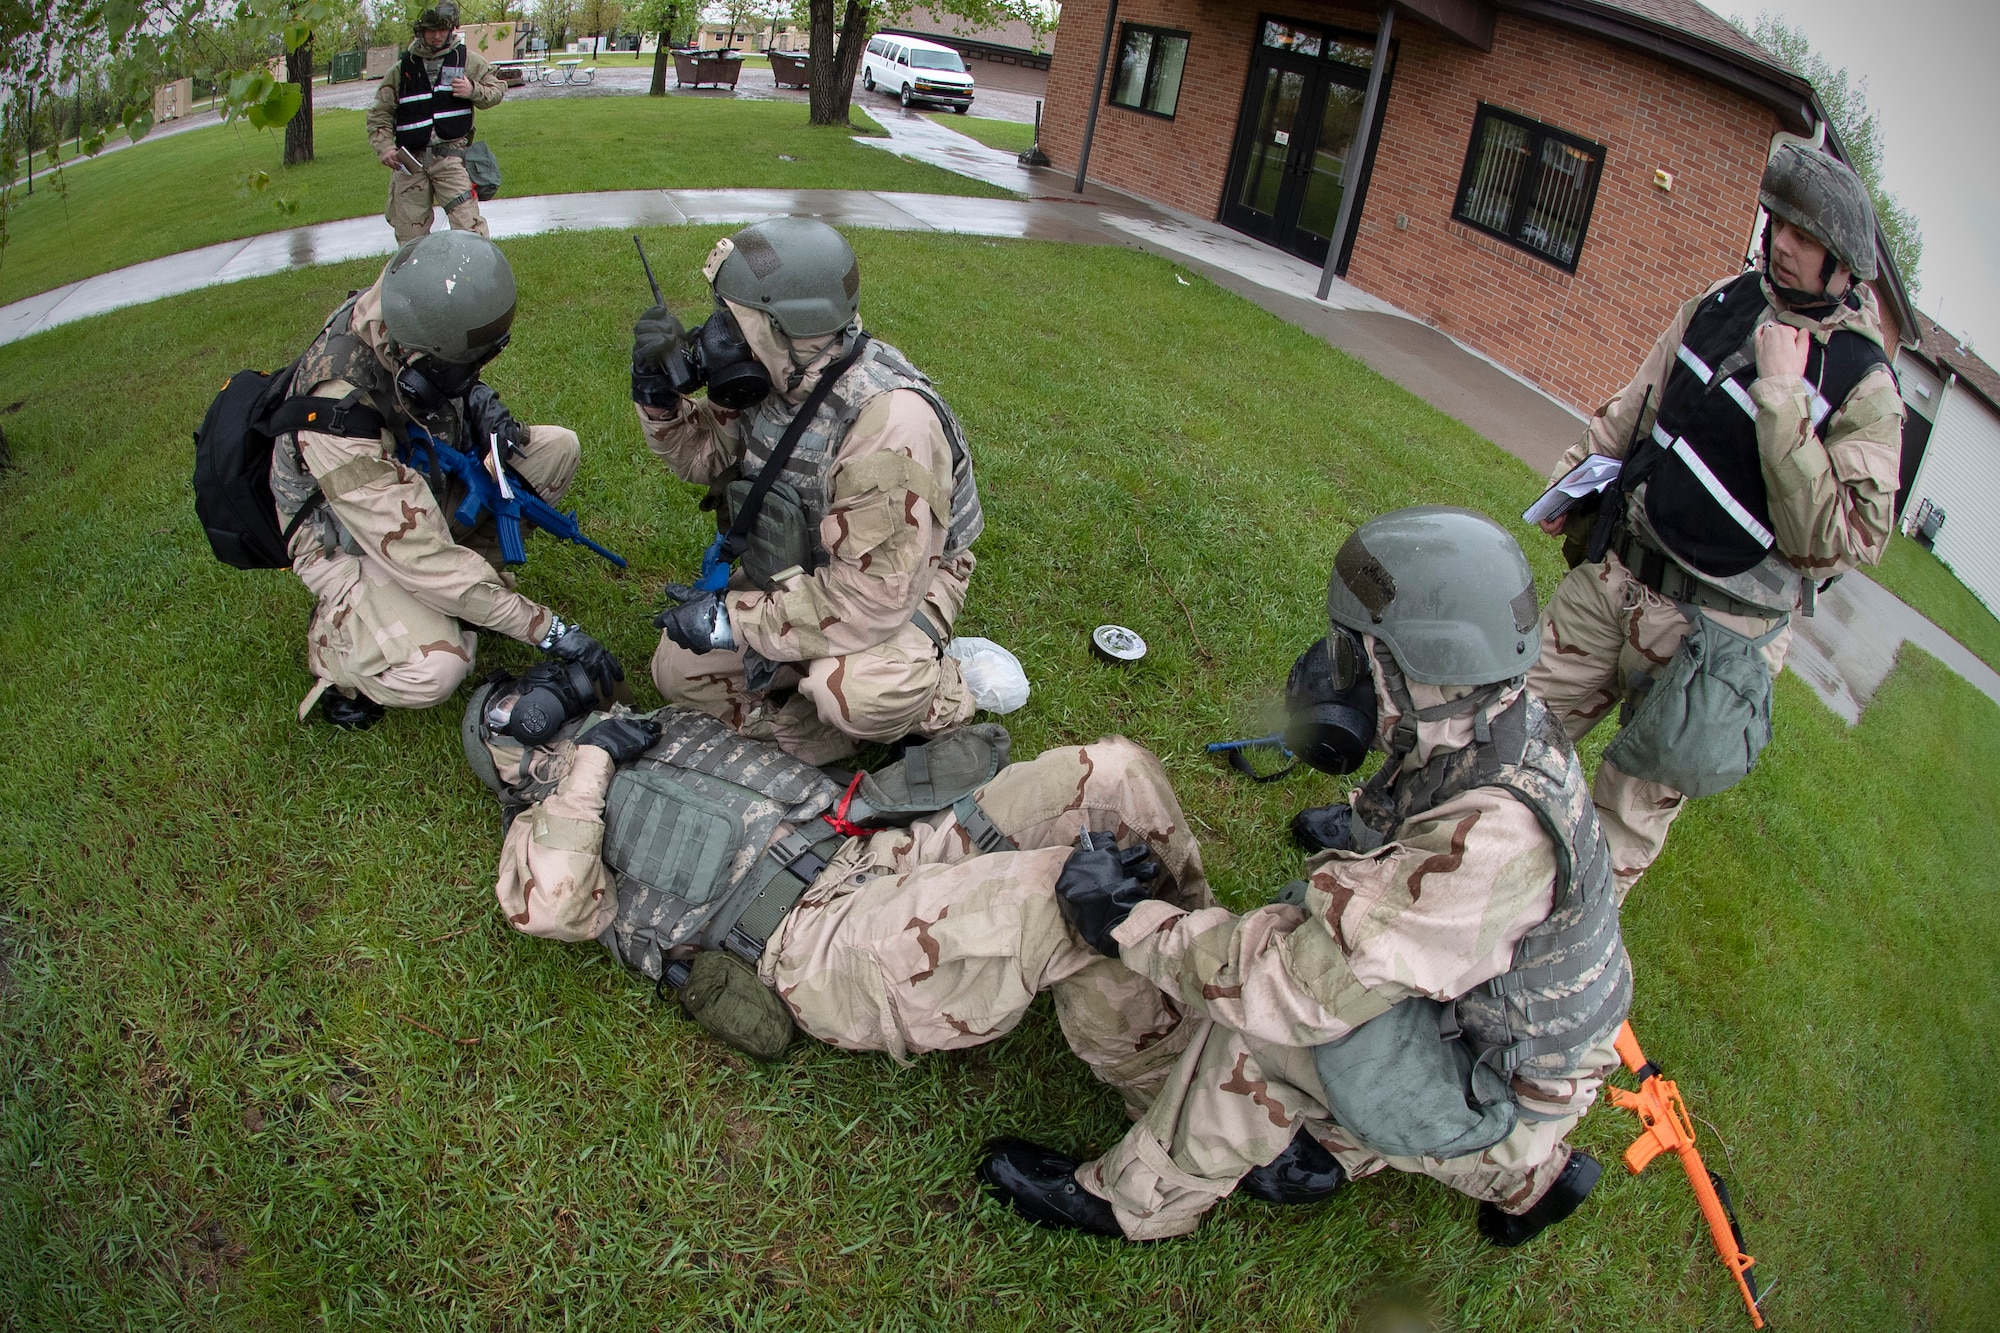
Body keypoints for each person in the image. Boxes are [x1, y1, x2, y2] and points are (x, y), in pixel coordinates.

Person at [978, 508, 1632, 1247]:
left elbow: (1289, 990)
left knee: (1271, 1019)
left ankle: (1136, 1203)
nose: (1334, 672)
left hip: (1499, 1083)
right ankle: (1430, 1159)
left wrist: (1125, 919)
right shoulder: (1487, 717)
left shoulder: (1493, 840)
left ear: (1416, 667)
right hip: (1495, 1032)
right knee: (1307, 935)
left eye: (1356, 658)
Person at [457, 665, 1209, 1111]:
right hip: (811, 945)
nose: (534, 699)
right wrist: (588, 764)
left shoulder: (658, 728)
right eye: (507, 708)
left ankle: (1214, 970)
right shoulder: (540, 824)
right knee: (1071, 896)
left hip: (879, 848)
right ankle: (1195, 1100)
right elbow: (550, 901)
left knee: (1112, 771)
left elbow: (799, 732)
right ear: (502, 759)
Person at [1513, 142, 1905, 895]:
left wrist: (1784, 395)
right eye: (1779, 223)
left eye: (1806, 237)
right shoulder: (1726, 298)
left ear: (1845, 267)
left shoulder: (1865, 386)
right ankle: (1420, 864)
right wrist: (1575, 478)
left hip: (1713, 645)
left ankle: (1536, 988)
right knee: (1506, 742)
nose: (1782, 243)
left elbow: (1835, 546)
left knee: (1612, 842)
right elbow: (1640, 403)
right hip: (1616, 580)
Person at [630, 218, 984, 765]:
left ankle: (938, 695)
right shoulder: (774, 375)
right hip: (803, 565)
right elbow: (703, 459)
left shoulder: (888, 425)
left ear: (783, 326)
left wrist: (733, 620)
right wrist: (656, 393)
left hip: (898, 582)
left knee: (854, 694)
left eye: (733, 319)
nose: (716, 335)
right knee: (676, 670)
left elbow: (871, 600)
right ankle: (806, 717)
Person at [270, 231, 624, 728]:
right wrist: (552, 631)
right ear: (421, 358)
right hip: (346, 536)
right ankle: (340, 654)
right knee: (438, 668)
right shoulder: (336, 411)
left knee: (554, 451)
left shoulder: (414, 304)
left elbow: (446, 376)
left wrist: (478, 401)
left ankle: (458, 595)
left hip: (418, 478)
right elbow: (418, 553)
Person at [365, 2, 505, 244]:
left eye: (442, 29)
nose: (437, 35)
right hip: (410, 162)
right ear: (420, 31)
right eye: (431, 30)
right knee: (410, 234)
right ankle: (416, 279)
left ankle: (474, 279)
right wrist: (385, 147)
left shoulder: (467, 61)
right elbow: (380, 113)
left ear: (451, 28)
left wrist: (473, 90)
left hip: (451, 159)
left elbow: (497, 89)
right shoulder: (401, 70)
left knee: (468, 227)